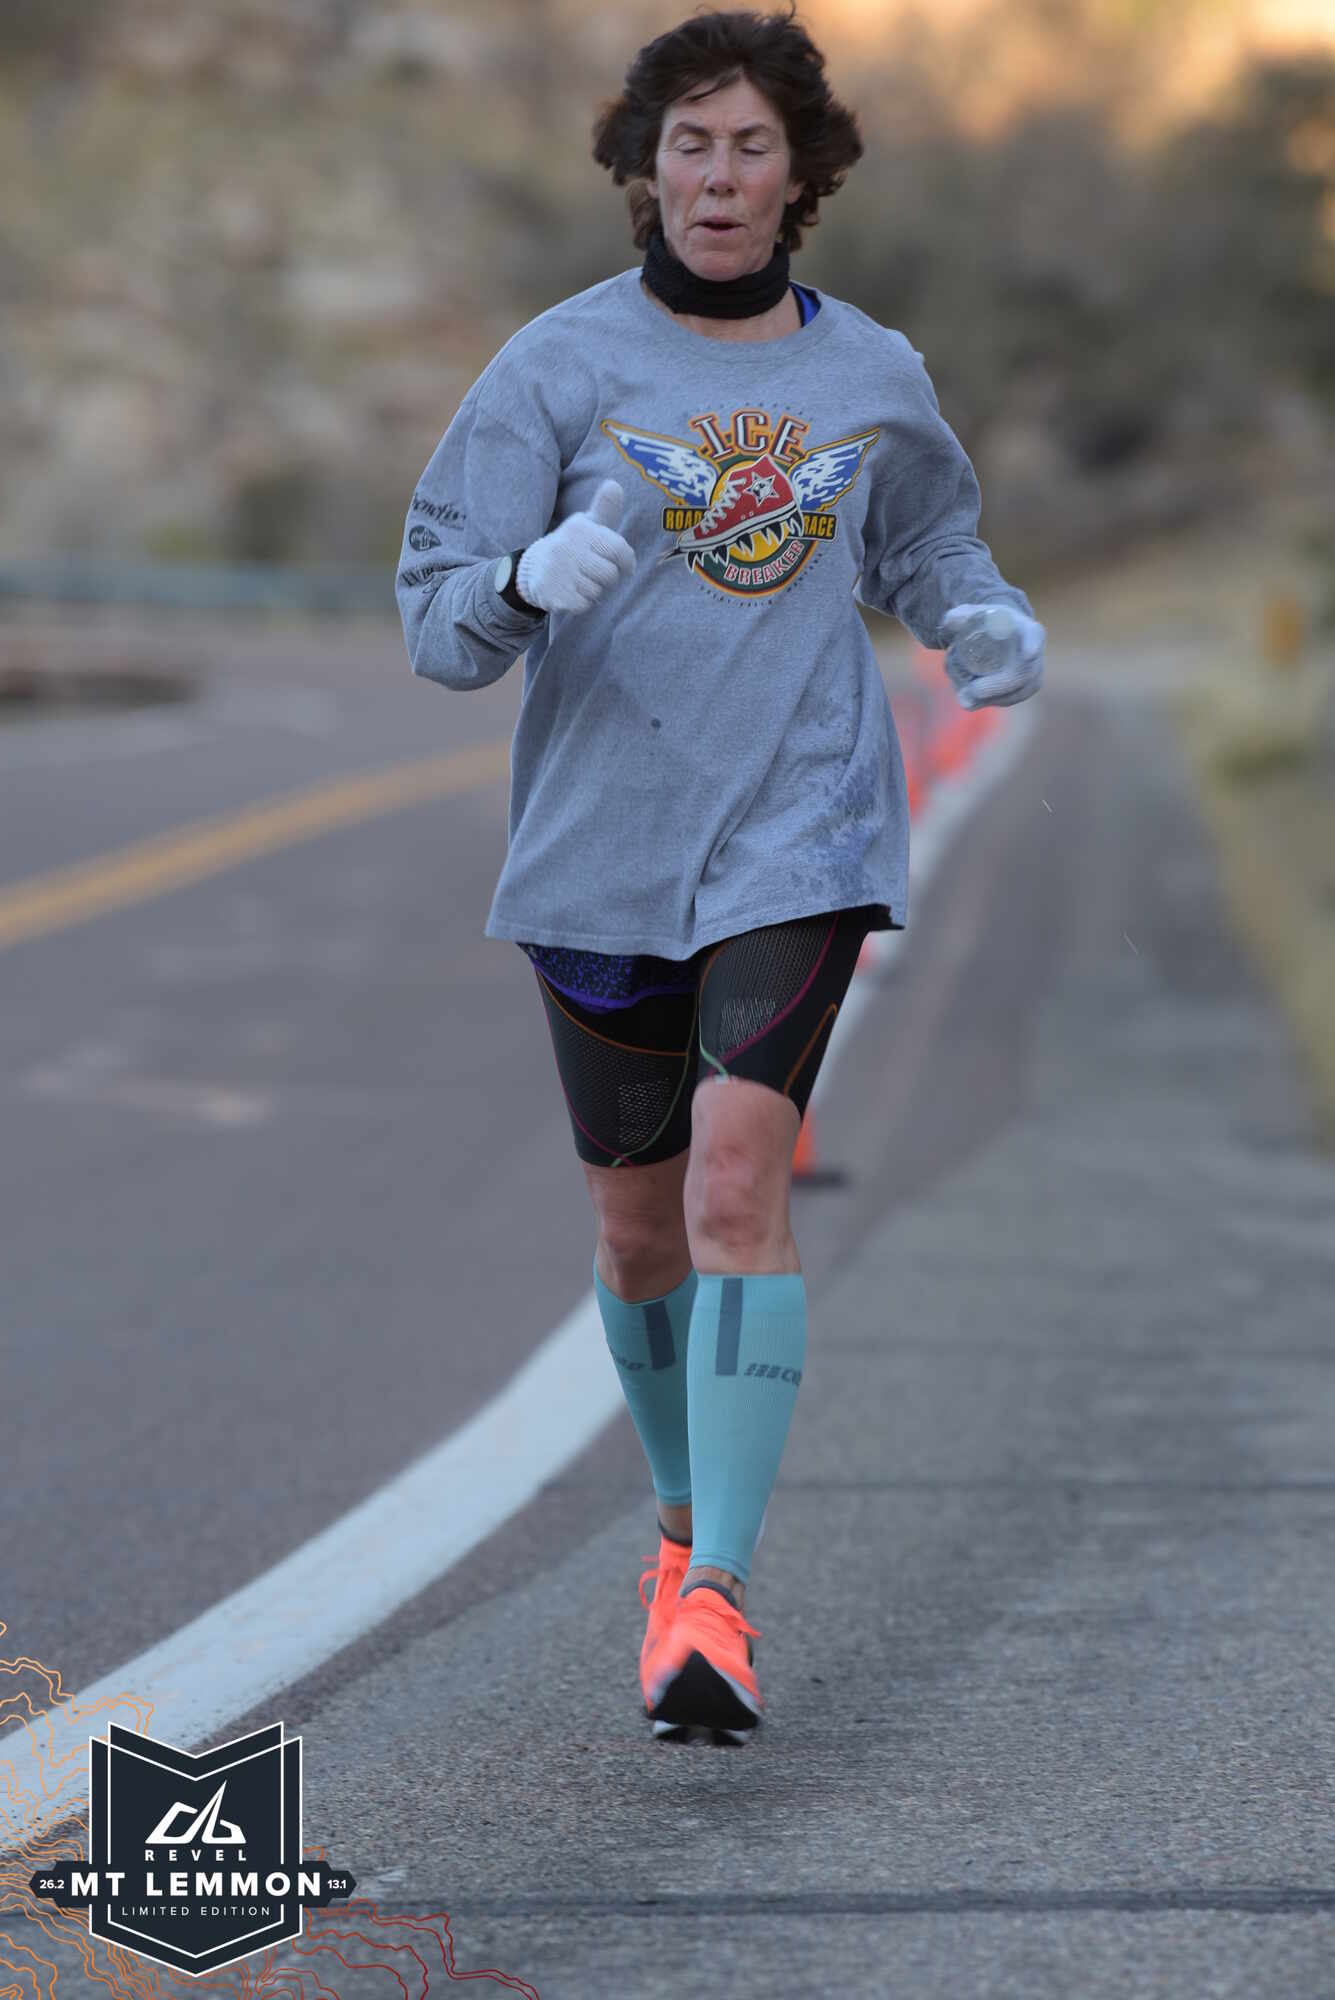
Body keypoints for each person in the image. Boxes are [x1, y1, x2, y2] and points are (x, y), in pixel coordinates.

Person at [395, 2, 1045, 1745]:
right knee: (638, 1234)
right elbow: (437, 623)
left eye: (754, 144)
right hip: (602, 852)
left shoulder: (872, 373)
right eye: (691, 142)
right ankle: (677, 1539)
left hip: (801, 829)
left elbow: (928, 536)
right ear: (646, 167)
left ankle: (720, 1599)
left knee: (739, 1184)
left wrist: (980, 616)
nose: (721, 174)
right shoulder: (552, 367)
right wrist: (523, 580)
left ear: (799, 175)